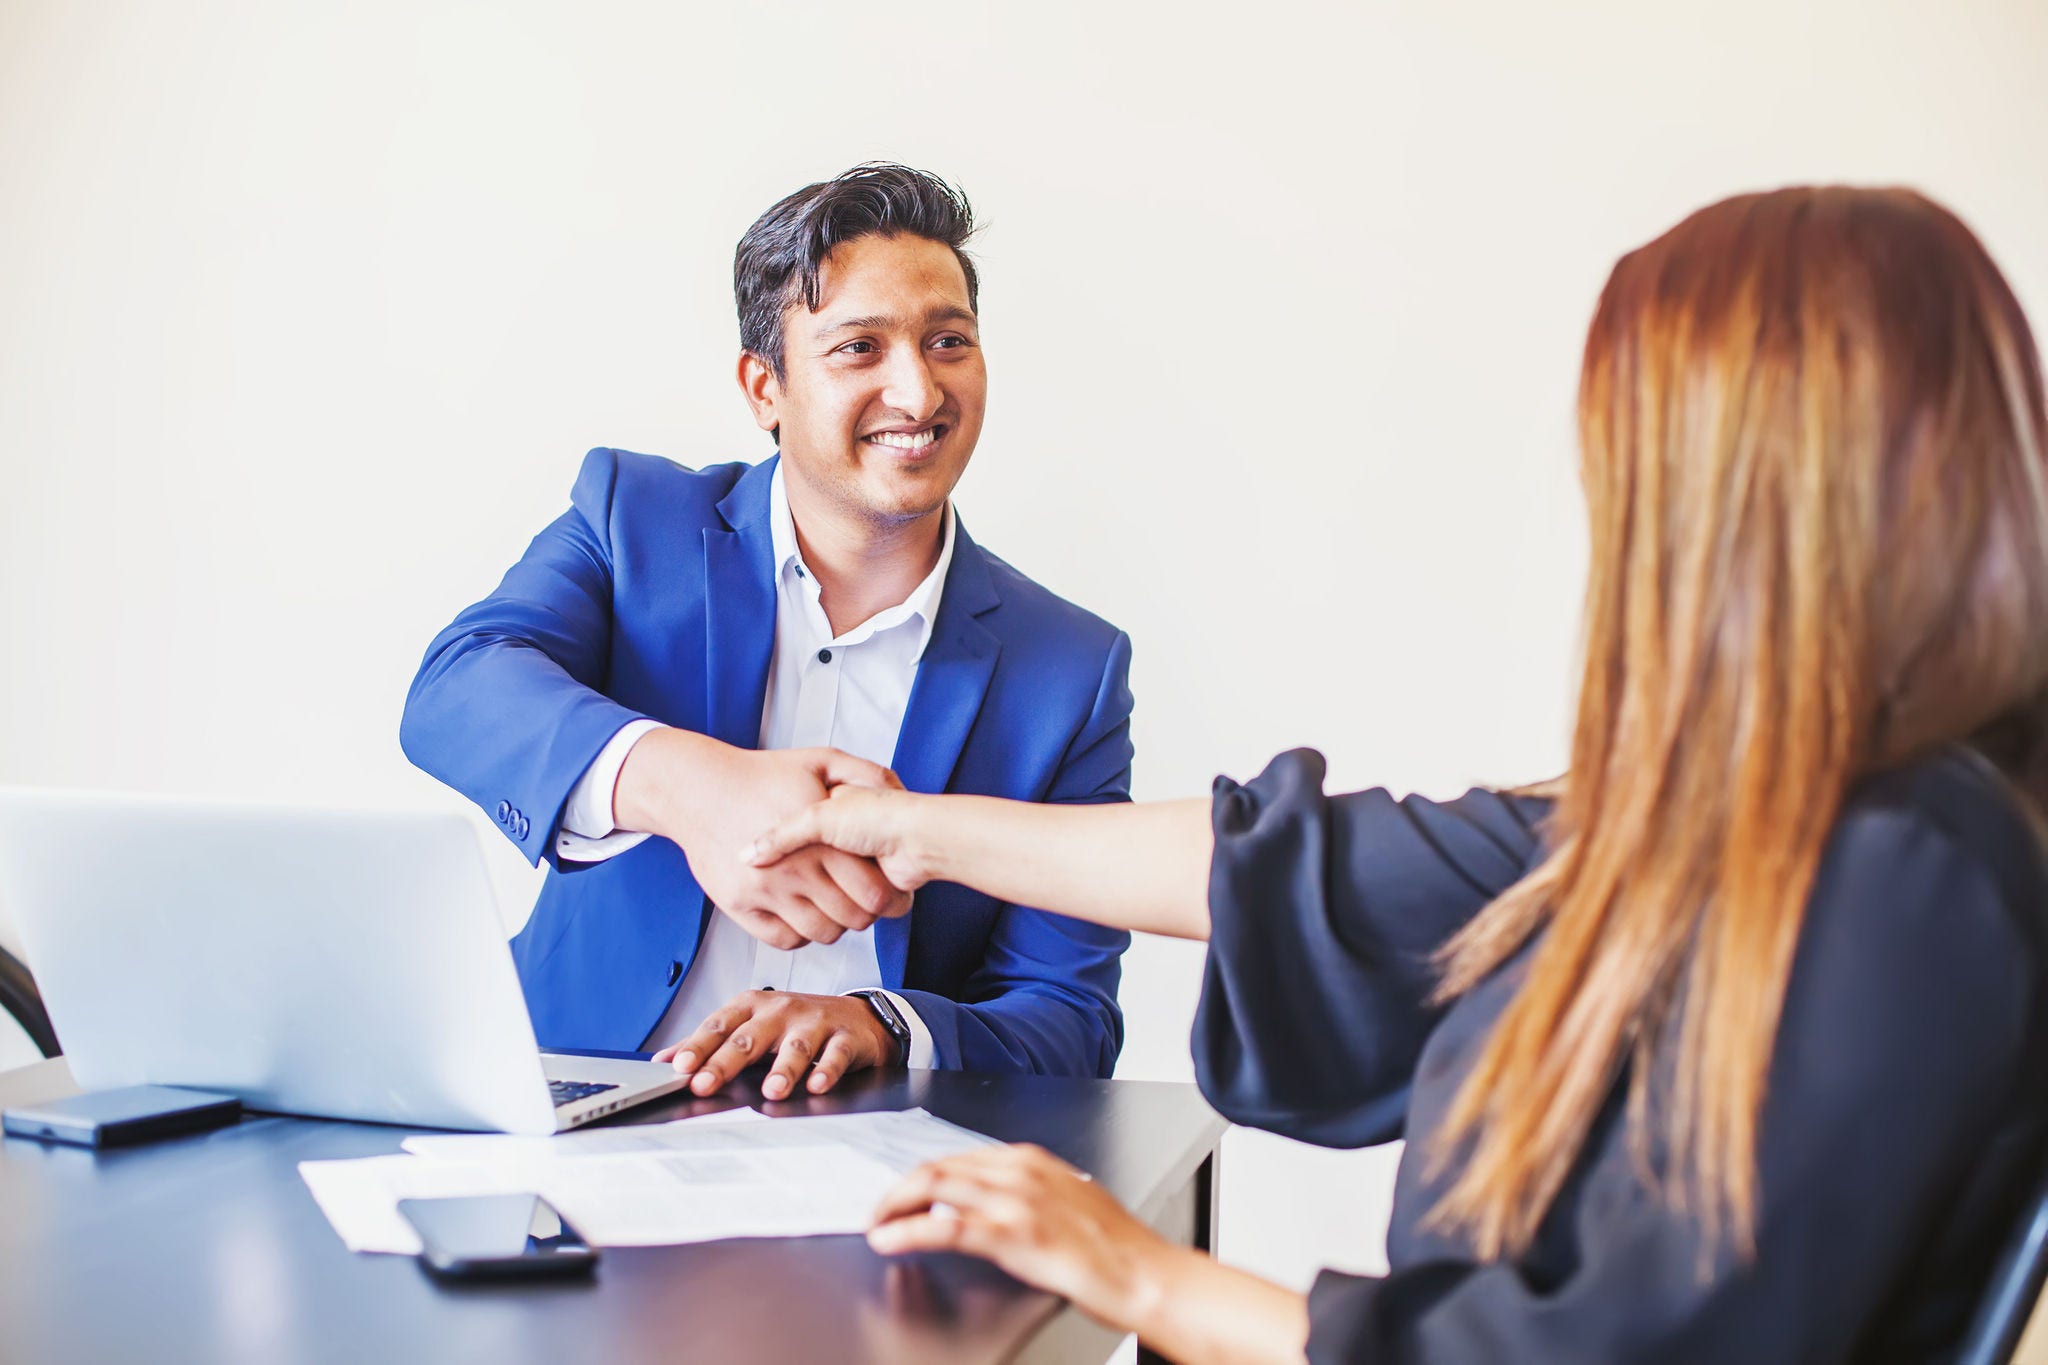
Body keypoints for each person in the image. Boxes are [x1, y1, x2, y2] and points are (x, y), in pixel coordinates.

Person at [746, 187, 2048, 1362]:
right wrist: (899, 826)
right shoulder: (1768, 817)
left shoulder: (1911, 882)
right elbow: (1312, 872)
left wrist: (1140, 1275)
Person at [400, 164, 1133, 1103]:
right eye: (858, 348)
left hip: (876, 1165)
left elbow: (1067, 1016)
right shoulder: (635, 521)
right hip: (573, 1111)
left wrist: (883, 1022)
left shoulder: (1071, 669)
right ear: (765, 388)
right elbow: (457, 686)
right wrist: (692, 790)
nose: (916, 392)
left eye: (948, 341)